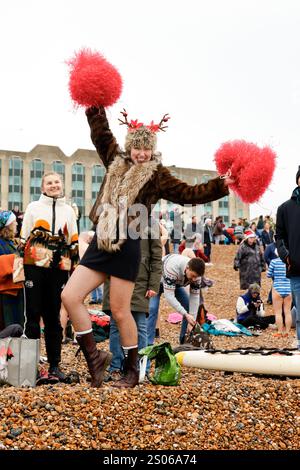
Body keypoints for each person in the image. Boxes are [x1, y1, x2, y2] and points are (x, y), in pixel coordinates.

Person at [61, 105, 233, 389]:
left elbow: (188, 193)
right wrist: (93, 103)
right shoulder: (114, 158)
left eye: (146, 150)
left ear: (152, 151)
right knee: (69, 295)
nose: (141, 154)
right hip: (103, 239)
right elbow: (100, 133)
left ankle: (131, 372)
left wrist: (219, 185)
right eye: (137, 148)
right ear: (129, 148)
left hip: (129, 241)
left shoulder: (157, 175)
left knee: (119, 310)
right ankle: (95, 358)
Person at [20, 172, 79, 381]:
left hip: (58, 267)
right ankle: (30, 366)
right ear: (43, 187)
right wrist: (21, 267)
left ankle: (55, 366)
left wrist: (74, 269)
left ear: (61, 185)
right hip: (34, 266)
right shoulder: (33, 208)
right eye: (49, 183)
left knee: (53, 317)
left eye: (56, 182)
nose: (54, 185)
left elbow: (74, 241)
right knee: (33, 315)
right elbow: (24, 237)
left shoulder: (69, 211)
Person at [102, 219, 162, 383]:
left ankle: (140, 367)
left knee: (140, 326)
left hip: (140, 283)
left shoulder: (151, 224)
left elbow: (157, 258)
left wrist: (153, 284)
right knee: (115, 326)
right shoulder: (115, 221)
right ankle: (116, 367)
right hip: (116, 279)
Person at [148, 255, 206, 345]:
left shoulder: (196, 276)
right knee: (152, 308)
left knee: (188, 307)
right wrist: (185, 314)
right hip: (157, 281)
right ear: (187, 268)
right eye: (193, 276)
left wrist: (192, 322)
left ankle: (184, 342)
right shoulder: (173, 267)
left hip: (175, 283)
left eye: (196, 277)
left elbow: (194, 298)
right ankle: (148, 344)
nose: (194, 279)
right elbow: (169, 296)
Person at [276, 166, 300, 349]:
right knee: (299, 312)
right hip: (296, 269)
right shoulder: (284, 208)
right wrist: (287, 257)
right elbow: (279, 237)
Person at [0, 211, 24, 330]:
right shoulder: (1, 243)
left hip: (14, 290)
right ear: (8, 226)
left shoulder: (10, 242)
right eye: (14, 222)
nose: (17, 224)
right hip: (5, 292)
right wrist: (15, 259)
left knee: (15, 322)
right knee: (7, 325)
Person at [267, 250, 292, 337]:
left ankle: (280, 331)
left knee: (278, 312)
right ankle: (287, 332)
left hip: (277, 287)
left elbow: (268, 274)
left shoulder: (274, 262)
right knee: (287, 312)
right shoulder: (290, 261)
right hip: (289, 288)